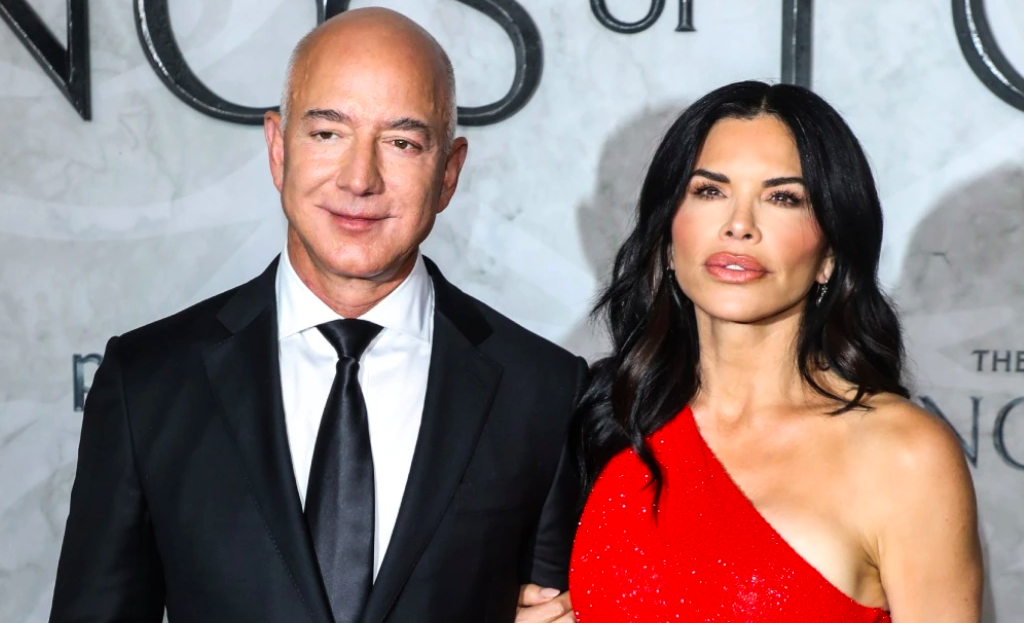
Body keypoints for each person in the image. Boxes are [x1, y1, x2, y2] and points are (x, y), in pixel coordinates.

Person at [48, 8, 586, 623]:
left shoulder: (544, 391)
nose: (360, 179)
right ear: (278, 149)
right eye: (328, 134)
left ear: (449, 173)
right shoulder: (148, 381)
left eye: (402, 143)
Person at [569, 81, 982, 622]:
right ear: (668, 237)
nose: (739, 226)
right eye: (709, 191)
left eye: (783, 198)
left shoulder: (905, 455)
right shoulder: (607, 419)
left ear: (830, 254)